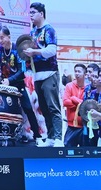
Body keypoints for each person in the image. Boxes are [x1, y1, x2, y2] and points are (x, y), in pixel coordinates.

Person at [21, 3, 63, 148]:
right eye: (30, 13)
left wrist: (35, 52)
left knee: (53, 107)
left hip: (49, 73)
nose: (31, 15)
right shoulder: (33, 32)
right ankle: (50, 137)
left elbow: (52, 50)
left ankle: (58, 138)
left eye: (33, 12)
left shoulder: (49, 30)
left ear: (41, 13)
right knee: (44, 108)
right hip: (37, 75)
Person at [0, 25, 42, 144]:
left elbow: (22, 71)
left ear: (9, 37)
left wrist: (10, 80)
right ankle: (5, 135)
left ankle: (37, 135)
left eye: (2, 37)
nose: (0, 41)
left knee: (28, 108)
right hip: (4, 86)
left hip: (18, 85)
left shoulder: (18, 50)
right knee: (3, 110)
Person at [61, 63, 87, 147]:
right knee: (68, 150)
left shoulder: (88, 88)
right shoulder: (69, 86)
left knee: (85, 151)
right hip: (71, 126)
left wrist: (73, 98)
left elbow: (86, 105)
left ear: (85, 74)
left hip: (84, 126)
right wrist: (81, 104)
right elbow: (65, 102)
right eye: (75, 71)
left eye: (79, 71)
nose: (77, 73)